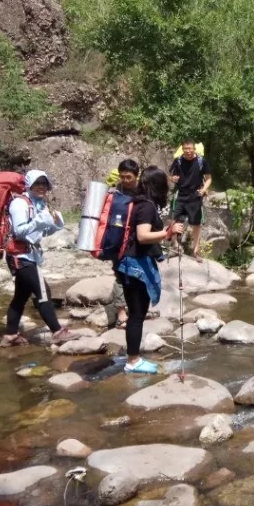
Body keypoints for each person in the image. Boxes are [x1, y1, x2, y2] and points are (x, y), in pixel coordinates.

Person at [2, 170, 78, 347]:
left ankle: (10, 335)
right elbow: (19, 231)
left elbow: (41, 231)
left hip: (29, 255)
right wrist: (40, 221)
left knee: (20, 297)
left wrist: (55, 225)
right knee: (43, 293)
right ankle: (57, 332)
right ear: (29, 185)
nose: (41, 187)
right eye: (37, 184)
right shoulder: (20, 204)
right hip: (20, 256)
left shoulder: (39, 204)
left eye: (44, 184)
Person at [116, 166, 176, 374]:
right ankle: (133, 361)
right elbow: (142, 236)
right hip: (134, 265)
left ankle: (133, 357)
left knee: (137, 314)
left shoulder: (139, 202)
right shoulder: (147, 206)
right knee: (136, 314)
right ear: (158, 187)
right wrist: (167, 233)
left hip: (130, 263)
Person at [104, 159, 140, 329]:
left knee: (136, 274)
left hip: (137, 240)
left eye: (129, 177)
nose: (125, 180)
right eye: (123, 177)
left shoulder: (142, 192)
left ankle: (136, 308)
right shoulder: (114, 193)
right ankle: (121, 313)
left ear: (136, 176)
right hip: (117, 239)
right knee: (120, 274)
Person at [169, 141, 212, 262]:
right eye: (185, 149)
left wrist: (203, 189)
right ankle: (176, 246)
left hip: (195, 196)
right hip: (180, 195)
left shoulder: (201, 161)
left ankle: (195, 251)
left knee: (197, 224)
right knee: (174, 219)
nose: (188, 151)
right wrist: (173, 178)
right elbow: (171, 176)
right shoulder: (178, 161)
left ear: (194, 149)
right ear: (182, 149)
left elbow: (208, 179)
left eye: (190, 148)